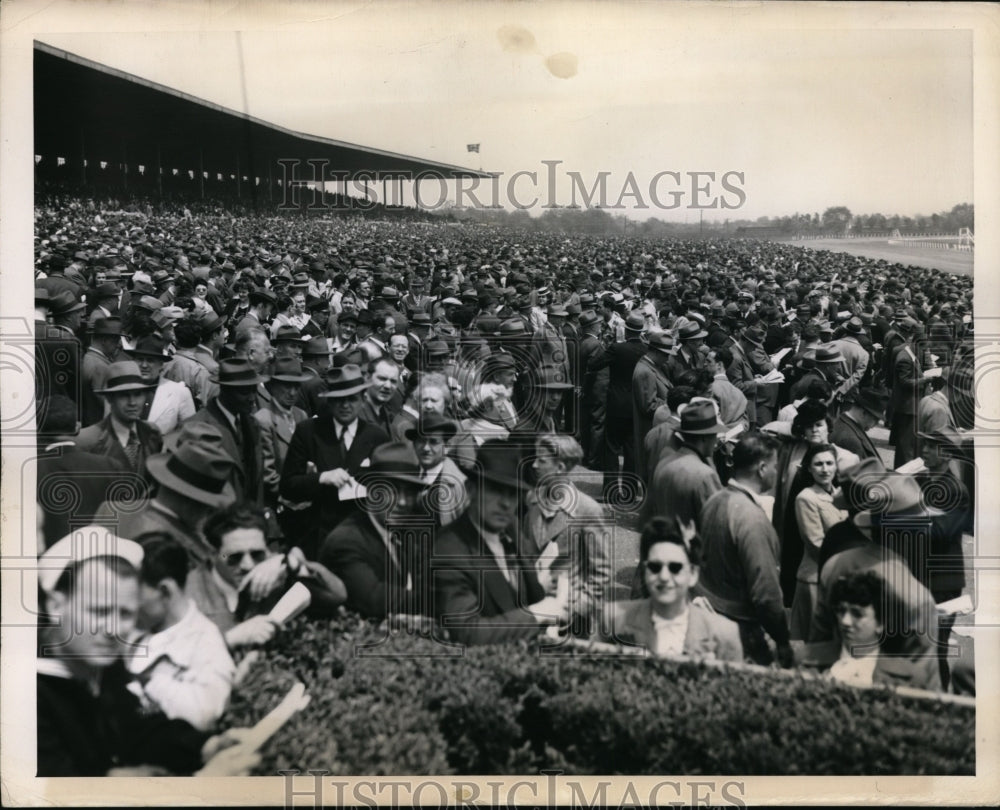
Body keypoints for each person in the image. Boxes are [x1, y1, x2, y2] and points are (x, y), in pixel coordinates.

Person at [37, 527, 259, 776]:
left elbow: (139, 726)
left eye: (126, 613)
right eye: (99, 611)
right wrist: (198, 787)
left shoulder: (102, 668)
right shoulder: (28, 695)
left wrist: (205, 747)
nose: (113, 629)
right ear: (55, 605)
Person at [432, 438, 569, 646]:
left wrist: (553, 601)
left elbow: (526, 594)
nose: (506, 503)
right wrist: (539, 613)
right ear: (471, 489)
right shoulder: (448, 548)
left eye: (513, 494)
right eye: (495, 490)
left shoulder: (510, 531)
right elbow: (467, 631)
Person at [696, 432, 794, 667]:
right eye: (775, 465)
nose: (777, 471)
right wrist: (782, 640)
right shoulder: (752, 518)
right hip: (740, 630)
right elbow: (766, 594)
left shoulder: (714, 500)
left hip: (707, 618)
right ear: (762, 468)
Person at [280, 364, 391, 555]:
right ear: (329, 402)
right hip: (316, 539)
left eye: (352, 399)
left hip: (362, 540)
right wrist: (321, 478)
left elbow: (389, 491)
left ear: (363, 399)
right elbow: (288, 486)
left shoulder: (376, 437)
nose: (345, 405)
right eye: (339, 399)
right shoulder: (308, 432)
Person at [130, 533, 236, 732]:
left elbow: (204, 715)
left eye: (134, 595)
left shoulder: (205, 642)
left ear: (165, 591)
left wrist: (150, 677)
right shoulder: (136, 628)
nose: (127, 605)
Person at [597, 517, 742, 662]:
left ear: (693, 574)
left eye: (675, 568)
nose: (664, 576)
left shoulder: (723, 634)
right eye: (655, 567)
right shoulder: (615, 620)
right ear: (644, 571)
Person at [318, 442, 431, 619]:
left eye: (409, 493)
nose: (402, 502)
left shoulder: (405, 532)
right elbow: (375, 599)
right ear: (371, 490)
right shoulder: (346, 540)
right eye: (392, 490)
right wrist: (441, 602)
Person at [204, 502, 347, 634]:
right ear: (213, 554)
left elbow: (337, 595)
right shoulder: (192, 591)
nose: (248, 565)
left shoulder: (277, 569)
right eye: (234, 557)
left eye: (257, 554)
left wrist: (292, 563)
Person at [522, 433, 611, 634]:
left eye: (541, 460)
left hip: (569, 620)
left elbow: (601, 571)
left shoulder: (587, 509)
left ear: (560, 468)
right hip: (534, 608)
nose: (534, 465)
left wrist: (576, 609)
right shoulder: (532, 499)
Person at [798, 570, 941, 691]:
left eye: (857, 614)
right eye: (841, 611)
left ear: (881, 623)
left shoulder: (911, 677)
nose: (845, 621)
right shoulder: (807, 660)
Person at [36, 395, 131, 550]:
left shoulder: (32, 472)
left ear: (38, 430)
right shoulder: (110, 466)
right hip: (103, 557)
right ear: (77, 427)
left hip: (52, 564)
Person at [182, 358, 266, 504]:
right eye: (244, 392)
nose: (252, 398)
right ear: (225, 390)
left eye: (254, 390)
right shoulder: (197, 427)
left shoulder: (252, 424)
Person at [789, 443, 847, 641]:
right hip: (815, 579)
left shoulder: (840, 494)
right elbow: (816, 544)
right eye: (819, 464)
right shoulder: (806, 498)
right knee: (814, 643)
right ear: (809, 469)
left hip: (838, 578)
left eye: (829, 463)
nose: (825, 469)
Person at [642, 399, 725, 532]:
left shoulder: (664, 462)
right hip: (692, 546)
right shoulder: (703, 474)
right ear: (705, 438)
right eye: (714, 435)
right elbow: (717, 521)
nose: (716, 440)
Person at [76, 360, 162, 484]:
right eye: (124, 395)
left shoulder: (152, 434)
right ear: (110, 399)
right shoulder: (87, 440)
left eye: (138, 394)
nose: (132, 402)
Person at [405, 412, 469, 528]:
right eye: (421, 441)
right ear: (414, 445)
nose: (426, 448)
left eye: (433, 442)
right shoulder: (408, 476)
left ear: (447, 446)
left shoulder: (458, 484)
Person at [126, 334, 197, 435]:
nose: (144, 365)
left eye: (150, 360)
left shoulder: (179, 392)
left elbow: (190, 432)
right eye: (140, 359)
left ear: (161, 364)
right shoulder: (122, 389)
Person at [631, 330, 675, 483]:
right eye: (666, 354)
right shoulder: (645, 371)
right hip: (651, 429)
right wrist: (674, 402)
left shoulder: (652, 367)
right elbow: (648, 406)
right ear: (656, 352)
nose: (668, 358)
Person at [81, 316, 123, 426]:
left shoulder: (87, 358)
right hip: (97, 427)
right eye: (116, 340)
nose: (119, 345)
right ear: (104, 340)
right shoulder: (101, 366)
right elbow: (107, 406)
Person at [829, 387, 889, 464]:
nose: (875, 425)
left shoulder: (844, 422)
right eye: (875, 420)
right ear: (864, 413)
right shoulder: (849, 440)